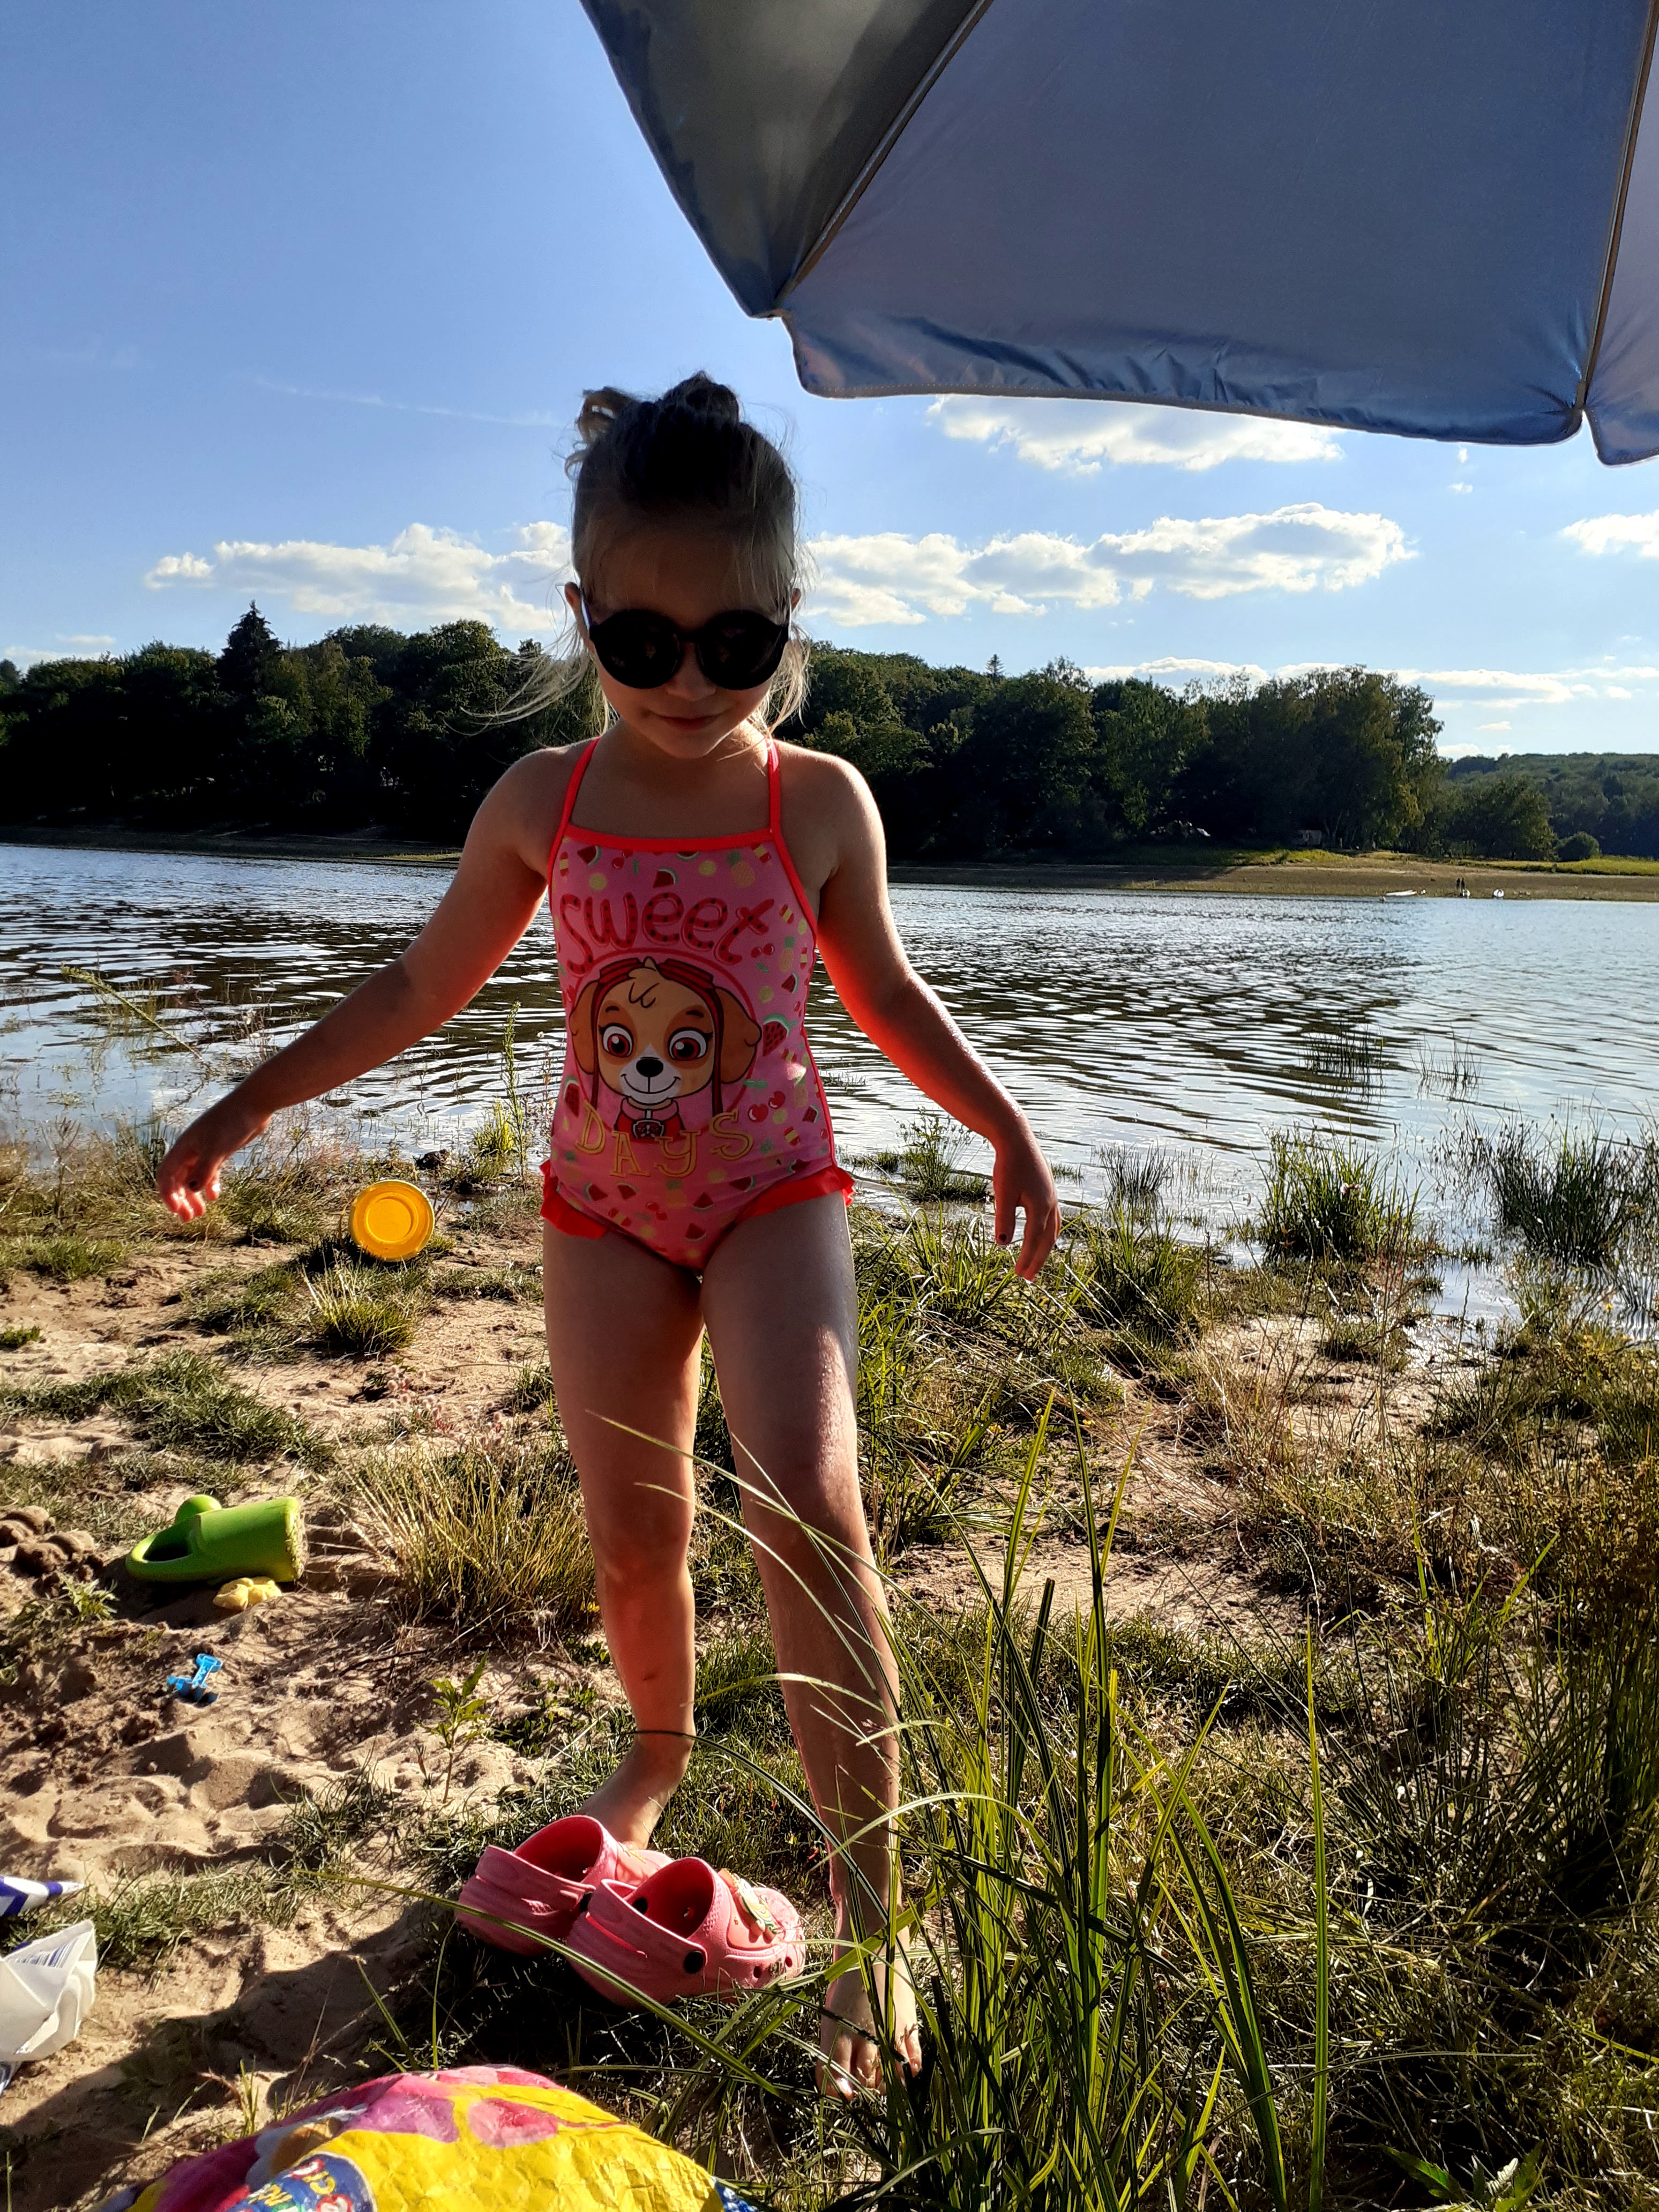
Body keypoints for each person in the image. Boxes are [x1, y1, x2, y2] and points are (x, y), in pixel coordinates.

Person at [156, 373, 1061, 2095]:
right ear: (583, 618)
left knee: (809, 1508)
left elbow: (884, 993)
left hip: (775, 1193)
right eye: (644, 643)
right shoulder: (542, 801)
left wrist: (1000, 1119)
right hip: (601, 1211)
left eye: (737, 644)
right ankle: (653, 1751)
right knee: (636, 1535)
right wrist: (253, 1099)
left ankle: (880, 1913)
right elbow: (420, 985)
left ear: (788, 622)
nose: (691, 682)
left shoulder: (815, 802)